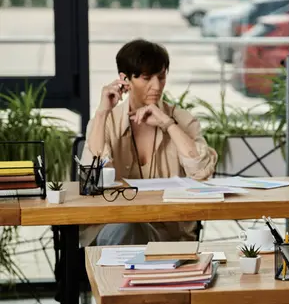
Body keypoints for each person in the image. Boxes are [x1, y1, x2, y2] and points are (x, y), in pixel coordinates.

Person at [79, 39, 218, 247]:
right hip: (114, 227)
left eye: (161, 77)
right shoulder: (105, 121)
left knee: (137, 232)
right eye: (146, 78)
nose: (157, 86)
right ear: (124, 79)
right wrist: (102, 112)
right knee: (129, 228)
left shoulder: (182, 119)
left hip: (169, 232)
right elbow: (93, 177)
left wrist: (168, 124)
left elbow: (201, 173)